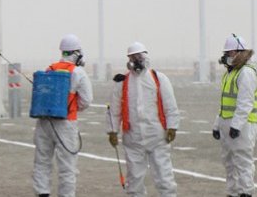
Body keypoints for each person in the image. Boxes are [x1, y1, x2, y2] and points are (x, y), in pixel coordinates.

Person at [108, 42, 180, 196]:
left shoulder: (159, 79)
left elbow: (170, 104)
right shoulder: (122, 82)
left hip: (157, 137)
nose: (136, 59)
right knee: (134, 180)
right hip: (133, 138)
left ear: (146, 56)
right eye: (133, 57)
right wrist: (112, 130)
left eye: (139, 56)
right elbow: (114, 110)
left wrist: (172, 126)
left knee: (164, 177)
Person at [32, 34, 93, 197]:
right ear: (77, 53)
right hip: (66, 124)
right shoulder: (78, 72)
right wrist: (73, 107)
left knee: (42, 162)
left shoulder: (49, 69)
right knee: (67, 167)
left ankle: (42, 193)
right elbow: (86, 100)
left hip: (44, 123)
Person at [213, 34, 257, 197]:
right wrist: (217, 125)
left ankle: (246, 192)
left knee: (243, 161)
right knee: (229, 162)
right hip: (227, 123)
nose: (226, 57)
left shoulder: (246, 73)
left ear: (239, 52)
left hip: (243, 125)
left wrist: (236, 126)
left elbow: (245, 102)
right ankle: (232, 192)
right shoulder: (230, 73)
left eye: (229, 53)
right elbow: (225, 103)